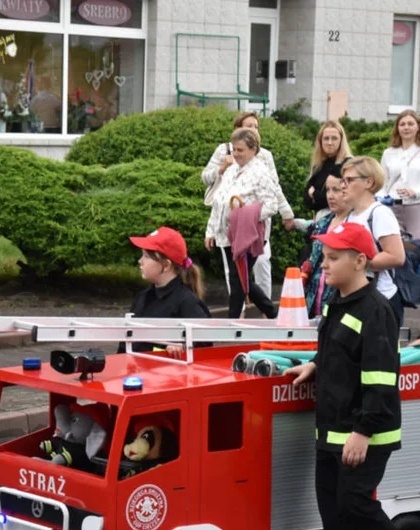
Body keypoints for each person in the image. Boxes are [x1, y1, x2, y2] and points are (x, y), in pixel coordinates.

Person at [284, 222, 420, 530]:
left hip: (366, 432)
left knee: (354, 503)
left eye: (333, 258)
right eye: (324, 256)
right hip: (331, 429)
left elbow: (380, 381)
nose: (323, 265)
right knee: (333, 509)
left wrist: (362, 432)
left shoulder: (376, 311)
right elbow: (336, 352)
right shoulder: (336, 302)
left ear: (360, 261)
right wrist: (313, 365)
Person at [202, 112, 295, 300]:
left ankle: (266, 310)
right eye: (248, 126)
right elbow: (206, 178)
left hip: (256, 223)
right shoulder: (224, 152)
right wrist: (221, 169)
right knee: (234, 271)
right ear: (237, 129)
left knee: (262, 263)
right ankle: (241, 311)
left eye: (256, 126)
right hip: (229, 222)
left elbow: (274, 188)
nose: (253, 130)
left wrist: (287, 213)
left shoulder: (265, 156)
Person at [380, 110, 420, 327]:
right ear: (397, 128)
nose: (406, 127)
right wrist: (381, 199)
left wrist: (416, 192)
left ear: (418, 127)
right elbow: (383, 182)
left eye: (410, 123)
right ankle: (394, 307)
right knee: (394, 258)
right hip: (393, 209)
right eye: (402, 124)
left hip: (419, 208)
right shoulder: (389, 153)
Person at [120, 226, 210, 355]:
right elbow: (125, 342)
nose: (140, 261)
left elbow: (204, 346)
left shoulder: (187, 302)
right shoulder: (143, 297)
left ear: (166, 265)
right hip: (137, 372)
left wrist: (182, 348)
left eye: (146, 256)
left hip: (168, 373)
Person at [339, 156, 406, 323]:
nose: (342, 185)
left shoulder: (379, 213)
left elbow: (396, 257)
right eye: (343, 180)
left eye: (349, 180)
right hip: (357, 298)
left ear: (369, 182)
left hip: (380, 300)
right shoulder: (350, 216)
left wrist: (357, 263)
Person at [303, 168, 351, 318]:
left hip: (339, 300)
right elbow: (314, 259)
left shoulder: (355, 223)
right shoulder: (323, 222)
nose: (330, 196)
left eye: (336, 190)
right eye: (328, 190)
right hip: (314, 298)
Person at [304, 121, 352, 218]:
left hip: (340, 219)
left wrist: (313, 194)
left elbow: (342, 197)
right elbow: (306, 201)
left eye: (334, 138)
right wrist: (317, 197)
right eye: (326, 138)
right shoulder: (318, 165)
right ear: (320, 141)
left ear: (341, 141)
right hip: (319, 219)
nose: (329, 143)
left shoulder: (348, 165)